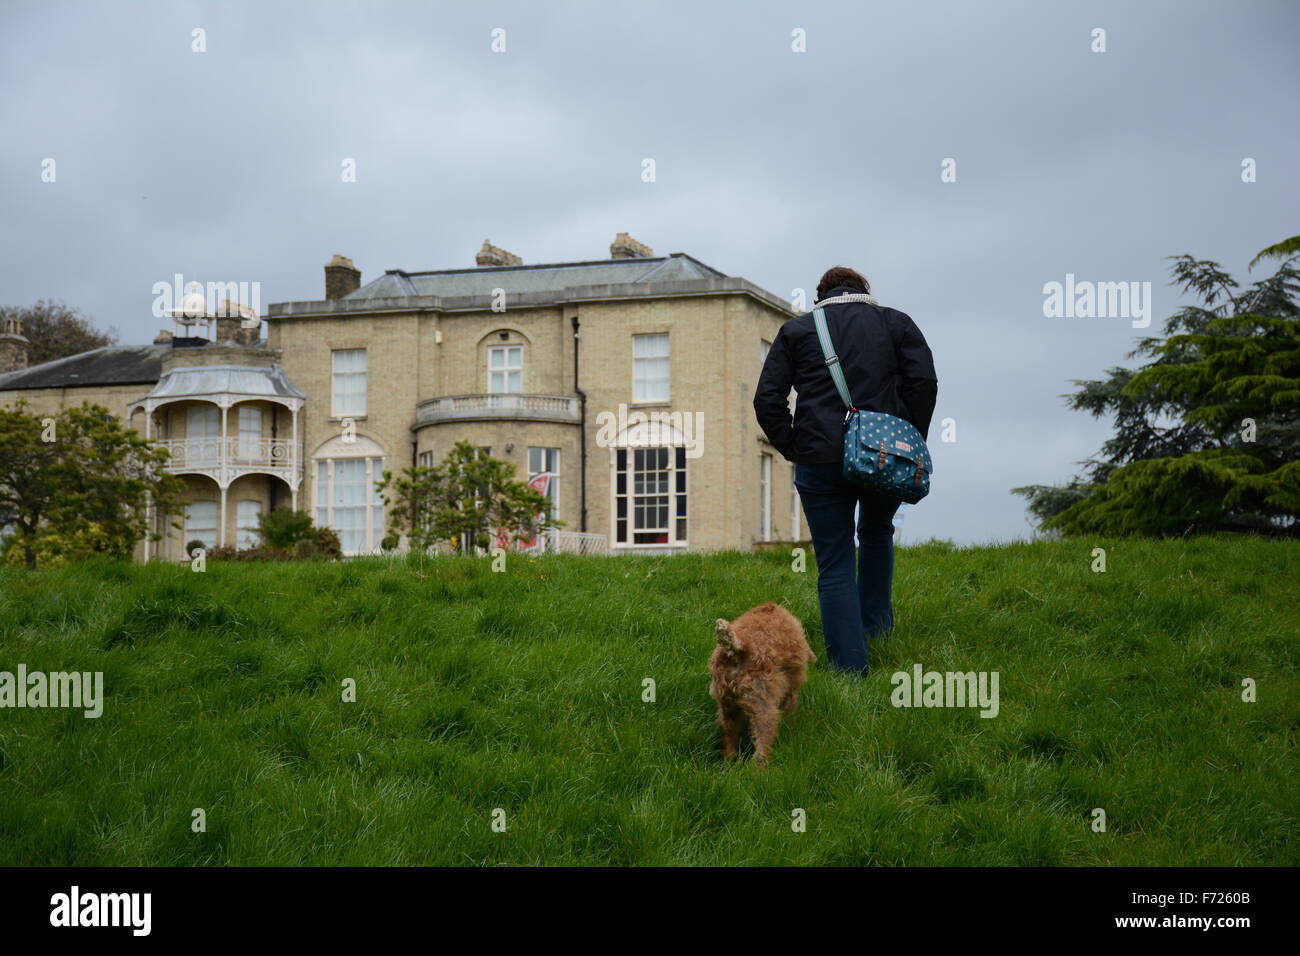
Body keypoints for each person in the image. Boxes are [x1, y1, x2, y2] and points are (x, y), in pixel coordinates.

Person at [754, 266, 938, 675]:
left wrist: (793, 447)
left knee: (835, 562)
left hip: (818, 459)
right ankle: (876, 631)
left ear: (821, 296)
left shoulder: (797, 330)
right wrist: (909, 439)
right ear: (864, 292)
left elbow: (767, 399)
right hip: (886, 456)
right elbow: (924, 383)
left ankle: (850, 669)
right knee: (876, 533)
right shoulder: (896, 323)